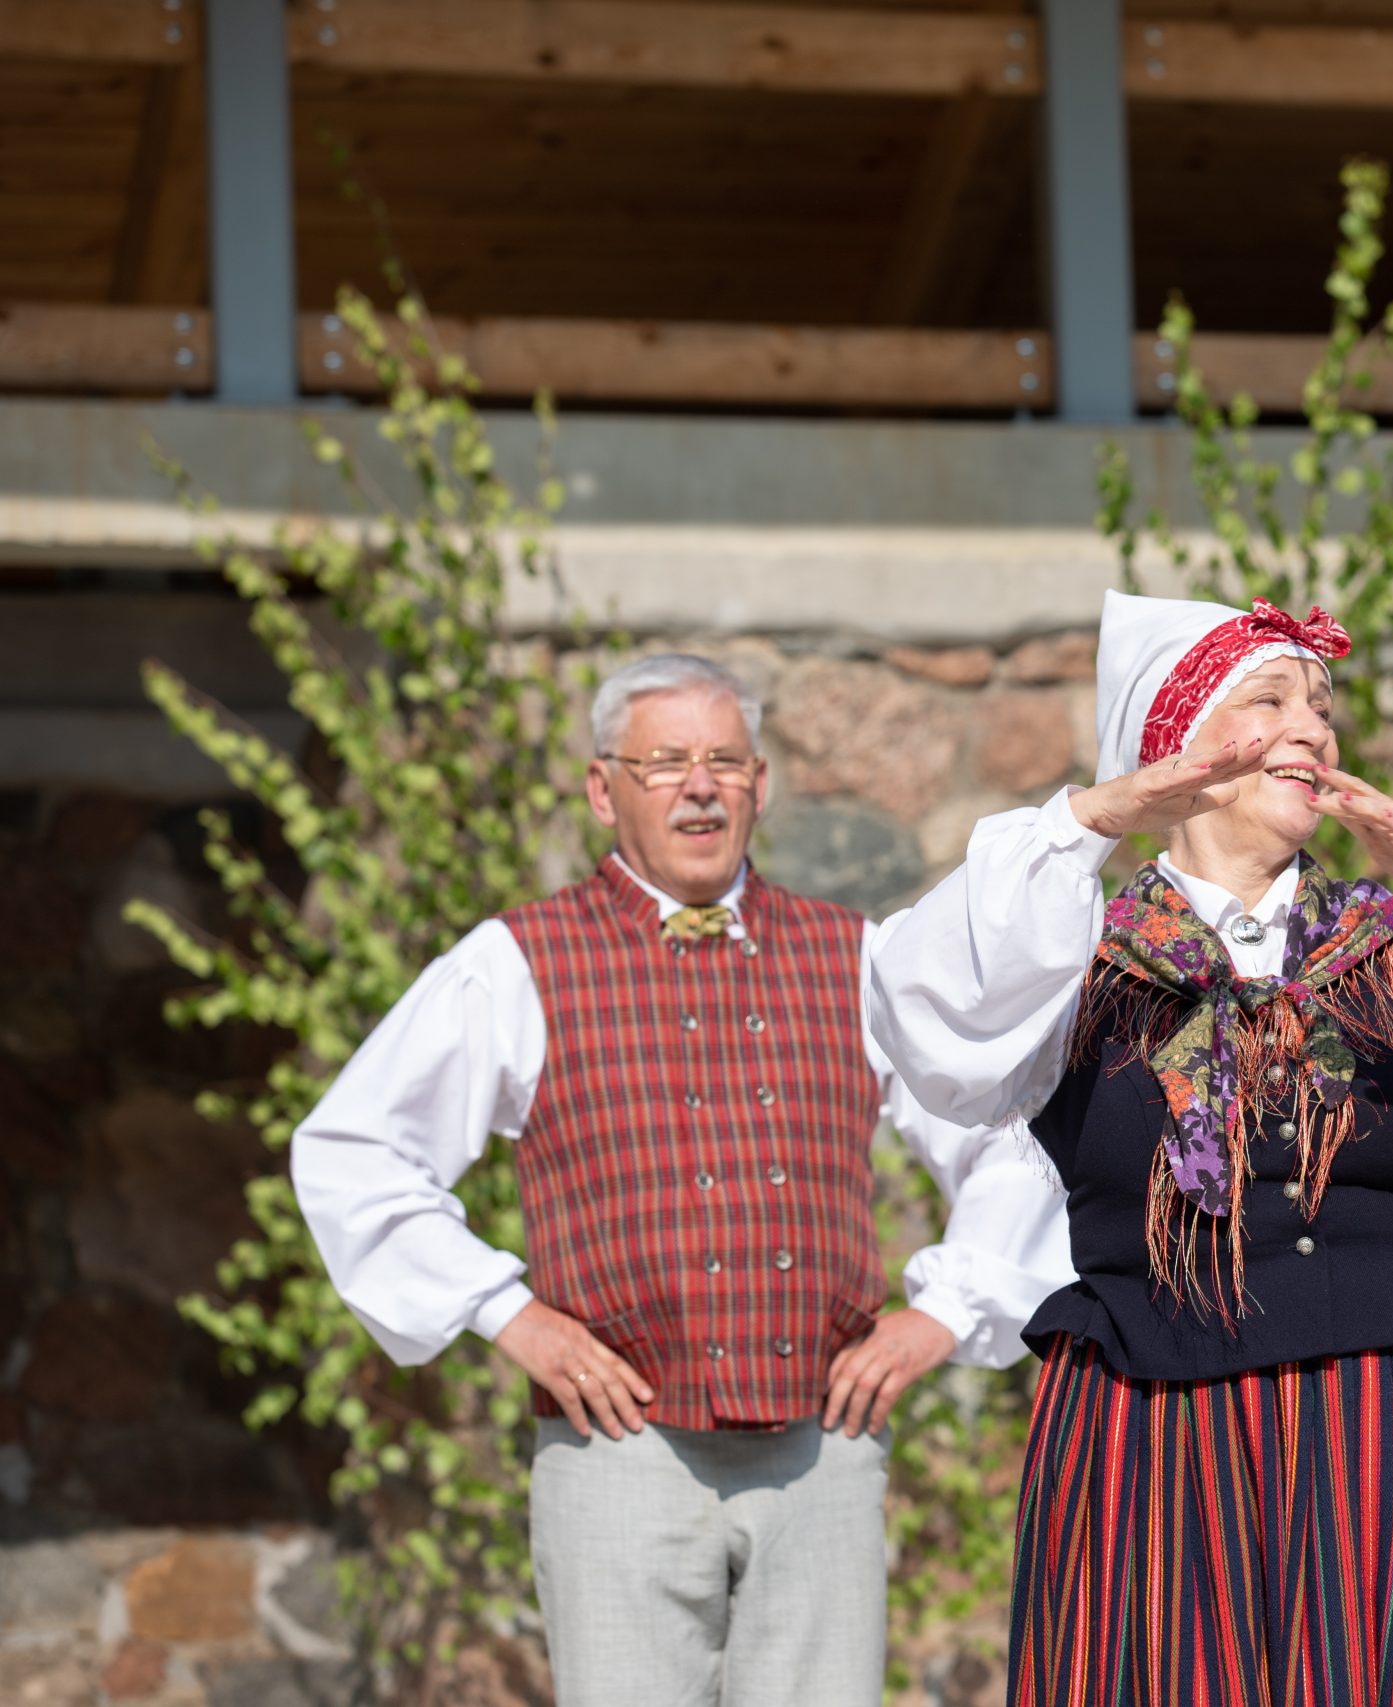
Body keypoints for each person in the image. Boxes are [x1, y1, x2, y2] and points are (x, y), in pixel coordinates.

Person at [865, 590, 1393, 1706]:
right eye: (1271, 701)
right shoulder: (1075, 952)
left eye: (1323, 707)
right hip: (1151, 1424)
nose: (1313, 729)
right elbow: (930, 1010)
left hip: (1385, 1421)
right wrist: (1096, 815)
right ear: (1174, 747)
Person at [291, 653, 1071, 1707]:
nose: (699, 787)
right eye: (663, 763)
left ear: (760, 783)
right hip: (619, 1452)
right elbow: (357, 1147)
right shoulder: (517, 961)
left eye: (724, 761)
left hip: (823, 1451)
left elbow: (1009, 1133)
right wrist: (509, 1314)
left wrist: (943, 1312)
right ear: (601, 788)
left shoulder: (857, 958)